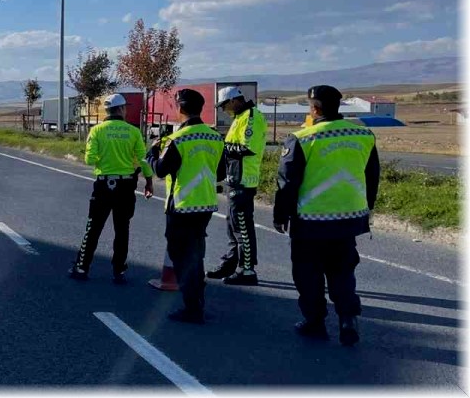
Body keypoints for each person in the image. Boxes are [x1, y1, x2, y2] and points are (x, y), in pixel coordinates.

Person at [274, 85, 380, 346]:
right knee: (343, 271)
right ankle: (348, 320)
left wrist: (281, 214)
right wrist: (367, 206)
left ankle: (315, 321)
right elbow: (372, 175)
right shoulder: (364, 134)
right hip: (348, 218)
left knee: (308, 273)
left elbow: (287, 182)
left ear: (314, 108)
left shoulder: (302, 138)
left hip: (311, 220)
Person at [148, 88, 224, 324]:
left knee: (181, 257)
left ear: (180, 108)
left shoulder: (178, 139)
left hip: (182, 206)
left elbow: (161, 170)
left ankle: (192, 308)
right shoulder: (215, 137)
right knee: (196, 255)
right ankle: (197, 302)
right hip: (206, 205)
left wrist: (152, 153)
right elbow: (220, 172)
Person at [68, 94, 154, 284]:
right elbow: (143, 159)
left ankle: (82, 267)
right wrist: (148, 181)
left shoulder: (97, 131)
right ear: (122, 109)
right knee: (122, 229)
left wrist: (105, 160)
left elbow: (89, 159)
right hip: (126, 186)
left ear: (107, 110)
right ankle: (119, 271)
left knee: (93, 227)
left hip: (104, 186)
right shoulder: (133, 132)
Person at [207, 86, 267, 286]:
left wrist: (221, 144)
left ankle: (247, 269)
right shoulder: (239, 118)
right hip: (234, 178)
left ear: (234, 100)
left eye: (225, 105)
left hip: (244, 179)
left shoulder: (251, 117)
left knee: (242, 227)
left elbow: (247, 148)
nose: (224, 110)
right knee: (232, 226)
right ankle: (231, 263)